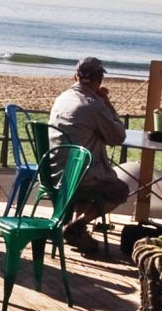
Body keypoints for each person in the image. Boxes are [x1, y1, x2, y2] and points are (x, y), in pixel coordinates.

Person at [48, 57, 134, 225]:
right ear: (100, 79)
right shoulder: (93, 106)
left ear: (75, 76)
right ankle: (80, 223)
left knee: (92, 172)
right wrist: (106, 102)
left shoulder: (62, 98)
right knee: (120, 190)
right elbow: (118, 137)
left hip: (53, 171)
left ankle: (74, 227)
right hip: (78, 178)